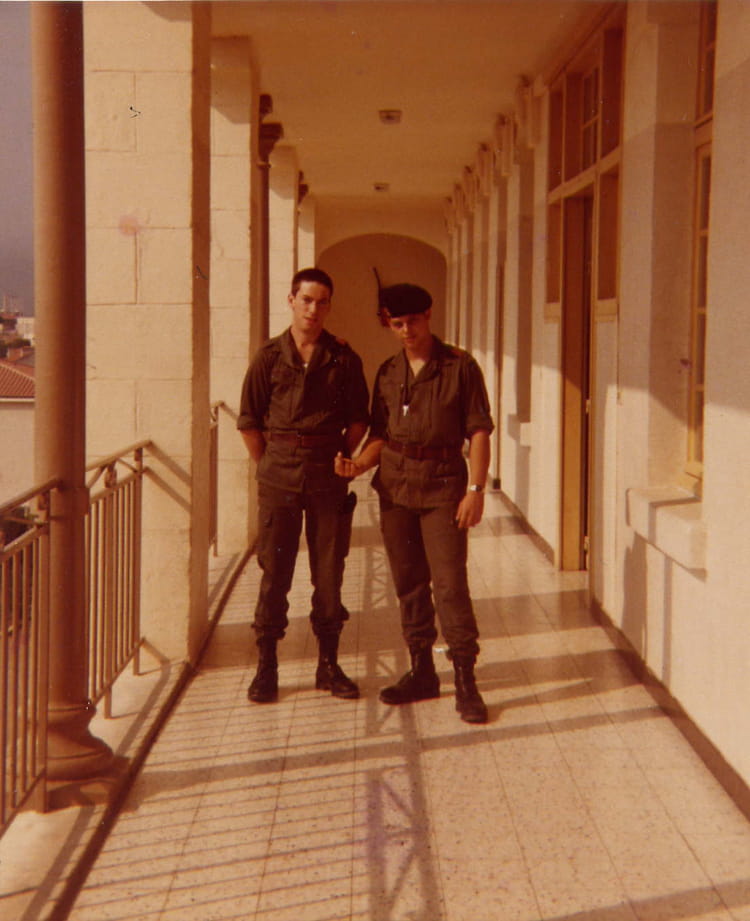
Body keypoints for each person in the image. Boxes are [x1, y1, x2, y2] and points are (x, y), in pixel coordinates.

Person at [335, 282, 493, 723]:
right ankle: (422, 670)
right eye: (398, 324)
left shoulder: (460, 367)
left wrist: (476, 490)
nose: (407, 331)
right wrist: (358, 464)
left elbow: (479, 431)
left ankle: (465, 678)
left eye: (414, 321)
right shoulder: (388, 372)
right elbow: (380, 436)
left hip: (443, 486)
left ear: (429, 316)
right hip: (396, 488)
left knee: (450, 584)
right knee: (408, 583)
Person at [238, 267, 369, 703]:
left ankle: (328, 664)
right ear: (291, 300)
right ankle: (267, 667)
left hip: (327, 473)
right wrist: (271, 463)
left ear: (329, 306)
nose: (313, 309)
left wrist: (339, 455)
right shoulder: (268, 357)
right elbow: (249, 421)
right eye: (306, 299)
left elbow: (358, 419)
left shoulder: (344, 359)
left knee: (329, 571)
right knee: (275, 572)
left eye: (322, 301)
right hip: (279, 473)